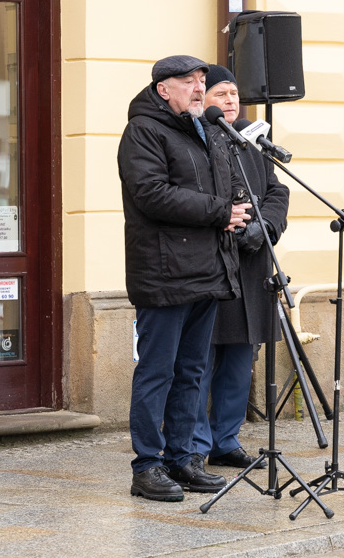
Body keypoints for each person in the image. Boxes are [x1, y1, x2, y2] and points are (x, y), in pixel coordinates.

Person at [118, 55, 252, 501]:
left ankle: (183, 459)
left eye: (201, 80)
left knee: (192, 371)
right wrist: (221, 212)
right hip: (163, 274)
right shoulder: (143, 132)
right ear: (163, 89)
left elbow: (230, 184)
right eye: (188, 81)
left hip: (208, 269)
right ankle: (147, 466)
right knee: (158, 371)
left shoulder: (209, 129)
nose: (199, 88)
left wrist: (236, 209)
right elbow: (151, 194)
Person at [193, 65, 289, 468]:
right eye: (221, 94)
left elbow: (276, 190)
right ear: (205, 103)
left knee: (239, 358)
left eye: (234, 94)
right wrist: (234, 230)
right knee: (201, 360)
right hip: (212, 261)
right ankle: (194, 444)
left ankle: (225, 439)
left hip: (252, 265)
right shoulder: (195, 140)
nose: (231, 101)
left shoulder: (253, 142)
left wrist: (265, 224)